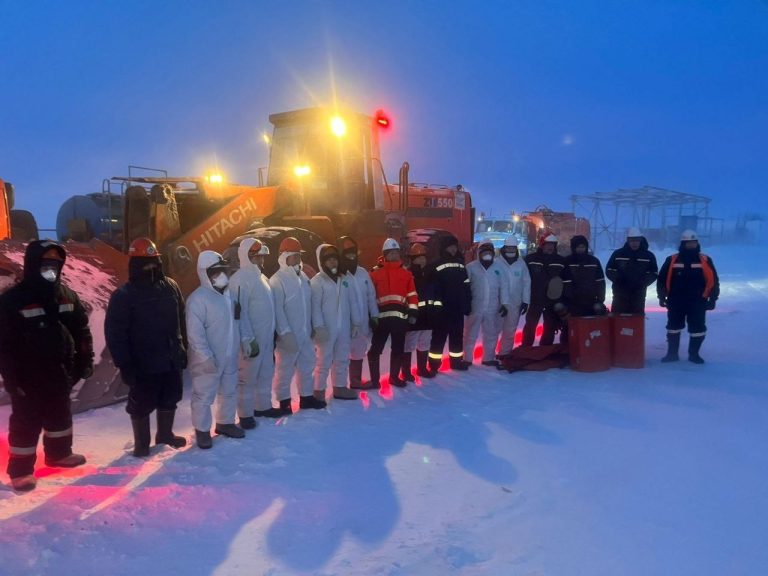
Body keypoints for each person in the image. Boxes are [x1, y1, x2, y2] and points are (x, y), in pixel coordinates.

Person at [0, 240, 93, 491]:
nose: (51, 268)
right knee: (26, 423)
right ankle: (20, 471)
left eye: (56, 263)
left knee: (60, 415)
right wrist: (11, 379)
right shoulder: (13, 300)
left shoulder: (66, 295)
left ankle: (59, 454)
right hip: (27, 377)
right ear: (33, 264)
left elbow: (81, 330)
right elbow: (4, 345)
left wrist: (85, 360)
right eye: (46, 263)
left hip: (61, 371)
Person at [105, 238, 188, 458]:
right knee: (141, 403)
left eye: (154, 261)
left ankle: (165, 435)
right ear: (134, 264)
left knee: (171, 396)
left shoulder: (171, 286)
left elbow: (181, 318)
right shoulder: (124, 296)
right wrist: (125, 365)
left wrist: (183, 347)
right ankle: (142, 444)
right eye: (145, 262)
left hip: (171, 358)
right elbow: (116, 334)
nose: (150, 267)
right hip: (143, 363)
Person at [187, 250, 245, 449]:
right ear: (205, 274)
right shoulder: (198, 299)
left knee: (229, 391)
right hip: (207, 359)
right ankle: (202, 431)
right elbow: (195, 334)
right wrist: (205, 357)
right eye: (215, 273)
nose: (220, 276)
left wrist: (245, 341)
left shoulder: (230, 296)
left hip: (229, 355)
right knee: (203, 396)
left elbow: (238, 322)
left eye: (223, 271)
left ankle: (225, 422)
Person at [270, 237, 324, 410]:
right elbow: (277, 309)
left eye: (298, 256)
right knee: (285, 369)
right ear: (284, 256)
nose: (297, 259)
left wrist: (313, 326)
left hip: (305, 333)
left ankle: (306, 397)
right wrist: (285, 333)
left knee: (307, 365)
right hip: (289, 336)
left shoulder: (303, 277)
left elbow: (309, 303)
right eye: (294, 256)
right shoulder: (277, 280)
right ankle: (284, 401)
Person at [229, 238, 279, 424]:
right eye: (256, 257)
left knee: (266, 372)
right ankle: (245, 414)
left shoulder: (262, 278)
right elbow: (239, 313)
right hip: (251, 339)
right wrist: (248, 338)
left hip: (266, 337)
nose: (261, 260)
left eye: (262, 257)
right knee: (247, 377)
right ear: (246, 256)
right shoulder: (240, 280)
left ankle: (263, 407)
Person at [657, 229, 719, 364]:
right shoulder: (672, 259)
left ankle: (694, 355)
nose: (691, 245)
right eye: (688, 243)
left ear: (697, 243)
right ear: (682, 244)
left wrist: (713, 298)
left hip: (698, 301)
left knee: (698, 329)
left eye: (693, 242)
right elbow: (661, 279)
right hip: (676, 300)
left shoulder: (705, 260)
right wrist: (661, 297)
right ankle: (672, 354)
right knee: (673, 328)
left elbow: (714, 280)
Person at [311, 244, 362, 400]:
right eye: (329, 260)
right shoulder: (317, 281)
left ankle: (340, 387)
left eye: (335, 259)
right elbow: (315, 307)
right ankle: (318, 391)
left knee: (342, 358)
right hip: (326, 329)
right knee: (323, 360)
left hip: (344, 328)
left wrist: (356, 322)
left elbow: (353, 302)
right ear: (322, 262)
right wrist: (319, 327)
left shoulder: (344, 279)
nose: (333, 263)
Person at [368, 238, 419, 388]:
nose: (394, 255)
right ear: (384, 254)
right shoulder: (374, 273)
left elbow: (412, 295)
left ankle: (394, 378)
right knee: (374, 350)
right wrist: (371, 316)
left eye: (396, 252)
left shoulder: (406, 273)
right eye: (391, 253)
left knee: (398, 349)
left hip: (399, 319)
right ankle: (375, 381)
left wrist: (413, 313)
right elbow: (369, 297)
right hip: (381, 320)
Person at [337, 236, 380, 390]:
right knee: (342, 354)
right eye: (347, 253)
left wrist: (374, 315)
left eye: (353, 252)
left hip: (362, 323)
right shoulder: (339, 276)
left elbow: (371, 296)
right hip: (344, 324)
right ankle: (339, 384)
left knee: (359, 351)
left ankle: (355, 381)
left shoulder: (363, 273)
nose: (351, 256)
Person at [427, 234, 472, 372]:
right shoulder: (435, 265)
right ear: (444, 248)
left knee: (457, 336)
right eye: (450, 247)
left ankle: (456, 362)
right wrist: (435, 306)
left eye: (454, 246)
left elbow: (466, 285)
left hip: (457, 307)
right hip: (442, 309)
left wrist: (467, 302)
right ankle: (434, 365)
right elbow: (433, 288)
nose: (453, 249)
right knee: (438, 337)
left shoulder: (460, 264)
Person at [463, 242, 509, 367]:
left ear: (493, 253)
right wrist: (465, 304)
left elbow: (504, 287)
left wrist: (505, 303)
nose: (487, 255)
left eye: (490, 252)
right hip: (475, 307)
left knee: (491, 333)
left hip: (492, 308)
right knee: (470, 334)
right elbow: (465, 288)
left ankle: (488, 358)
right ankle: (467, 358)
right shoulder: (471, 267)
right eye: (485, 252)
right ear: (479, 253)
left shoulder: (499, 268)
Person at [522, 234, 567, 346]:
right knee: (530, 325)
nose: (550, 247)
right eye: (547, 244)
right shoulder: (530, 259)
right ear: (542, 245)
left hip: (552, 300)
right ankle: (526, 348)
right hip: (535, 298)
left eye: (552, 244)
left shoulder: (561, 261)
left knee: (550, 326)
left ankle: (545, 349)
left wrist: (563, 298)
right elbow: (523, 280)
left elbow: (565, 280)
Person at [605, 227, 659, 314]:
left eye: (637, 240)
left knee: (636, 321)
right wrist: (618, 279)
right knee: (618, 320)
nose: (634, 243)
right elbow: (609, 269)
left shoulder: (648, 256)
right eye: (632, 240)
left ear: (640, 240)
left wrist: (642, 282)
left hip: (638, 294)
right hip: (620, 294)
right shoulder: (618, 254)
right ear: (628, 241)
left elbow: (654, 272)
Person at [403, 243, 434, 380]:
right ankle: (406, 372)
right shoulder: (407, 274)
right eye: (418, 257)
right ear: (412, 259)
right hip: (414, 316)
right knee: (409, 344)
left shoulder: (430, 273)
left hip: (427, 315)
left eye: (423, 257)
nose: (421, 260)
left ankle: (422, 369)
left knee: (424, 343)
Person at [497, 237, 531, 357]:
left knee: (510, 330)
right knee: (494, 330)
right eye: (508, 247)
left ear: (516, 248)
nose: (511, 250)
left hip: (515, 303)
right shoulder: (496, 263)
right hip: (498, 303)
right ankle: (489, 355)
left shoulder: (521, 264)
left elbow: (527, 283)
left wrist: (526, 301)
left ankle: (504, 354)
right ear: (504, 248)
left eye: (513, 247)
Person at [562, 235, 607, 317]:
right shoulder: (567, 261)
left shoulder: (594, 261)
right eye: (578, 247)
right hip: (573, 302)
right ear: (573, 248)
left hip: (591, 300)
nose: (580, 249)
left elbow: (600, 282)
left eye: (583, 247)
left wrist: (600, 300)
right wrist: (567, 299)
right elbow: (565, 282)